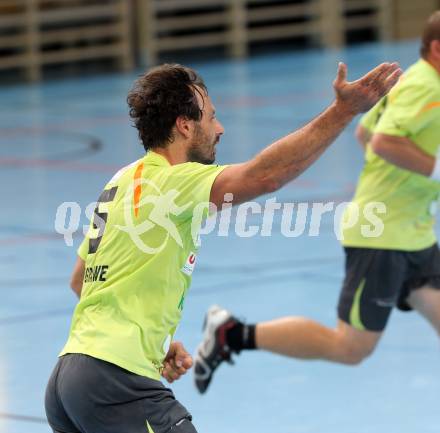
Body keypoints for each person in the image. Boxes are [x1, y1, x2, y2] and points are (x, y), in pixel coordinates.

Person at [44, 59, 400, 433]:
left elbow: (80, 281)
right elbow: (265, 177)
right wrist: (343, 112)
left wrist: (153, 343)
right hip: (115, 384)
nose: (220, 128)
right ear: (184, 125)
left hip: (68, 380)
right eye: (211, 118)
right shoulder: (172, 182)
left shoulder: (121, 181)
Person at [194, 11, 440, 395]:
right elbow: (382, 142)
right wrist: (432, 168)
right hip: (384, 237)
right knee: (350, 347)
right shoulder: (427, 88)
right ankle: (232, 334)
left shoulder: (414, 82)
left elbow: (364, 132)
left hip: (414, 230)